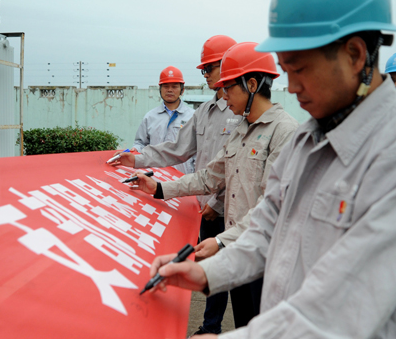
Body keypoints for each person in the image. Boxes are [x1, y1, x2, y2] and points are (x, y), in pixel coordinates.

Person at [144, 0, 396, 338]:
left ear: (355, 54)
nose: (291, 86)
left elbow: (341, 311)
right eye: (284, 69)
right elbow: (268, 225)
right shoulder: (307, 140)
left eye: (301, 69)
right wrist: (206, 272)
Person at [130, 41, 299, 329]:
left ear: (253, 84)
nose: (223, 94)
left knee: (266, 327)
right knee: (245, 321)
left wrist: (221, 241)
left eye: (229, 87)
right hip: (238, 252)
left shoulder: (284, 132)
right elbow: (209, 177)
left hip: (265, 257)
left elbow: (270, 206)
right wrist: (158, 188)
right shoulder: (241, 130)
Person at [110, 35, 240, 335]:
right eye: (204, 69)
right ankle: (210, 328)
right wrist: (136, 160)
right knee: (213, 272)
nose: (205, 74)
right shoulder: (205, 112)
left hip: (229, 208)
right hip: (203, 206)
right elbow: (176, 149)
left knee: (244, 281)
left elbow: (235, 168)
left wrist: (216, 204)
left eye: (210, 67)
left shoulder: (241, 115)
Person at [132, 66, 195, 174]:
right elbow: (141, 143)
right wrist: (135, 149)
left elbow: (198, 149)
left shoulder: (193, 116)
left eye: (174, 86)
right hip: (155, 177)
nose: (170, 90)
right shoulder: (150, 117)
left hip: (183, 179)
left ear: (182, 90)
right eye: (166, 86)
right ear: (160, 89)